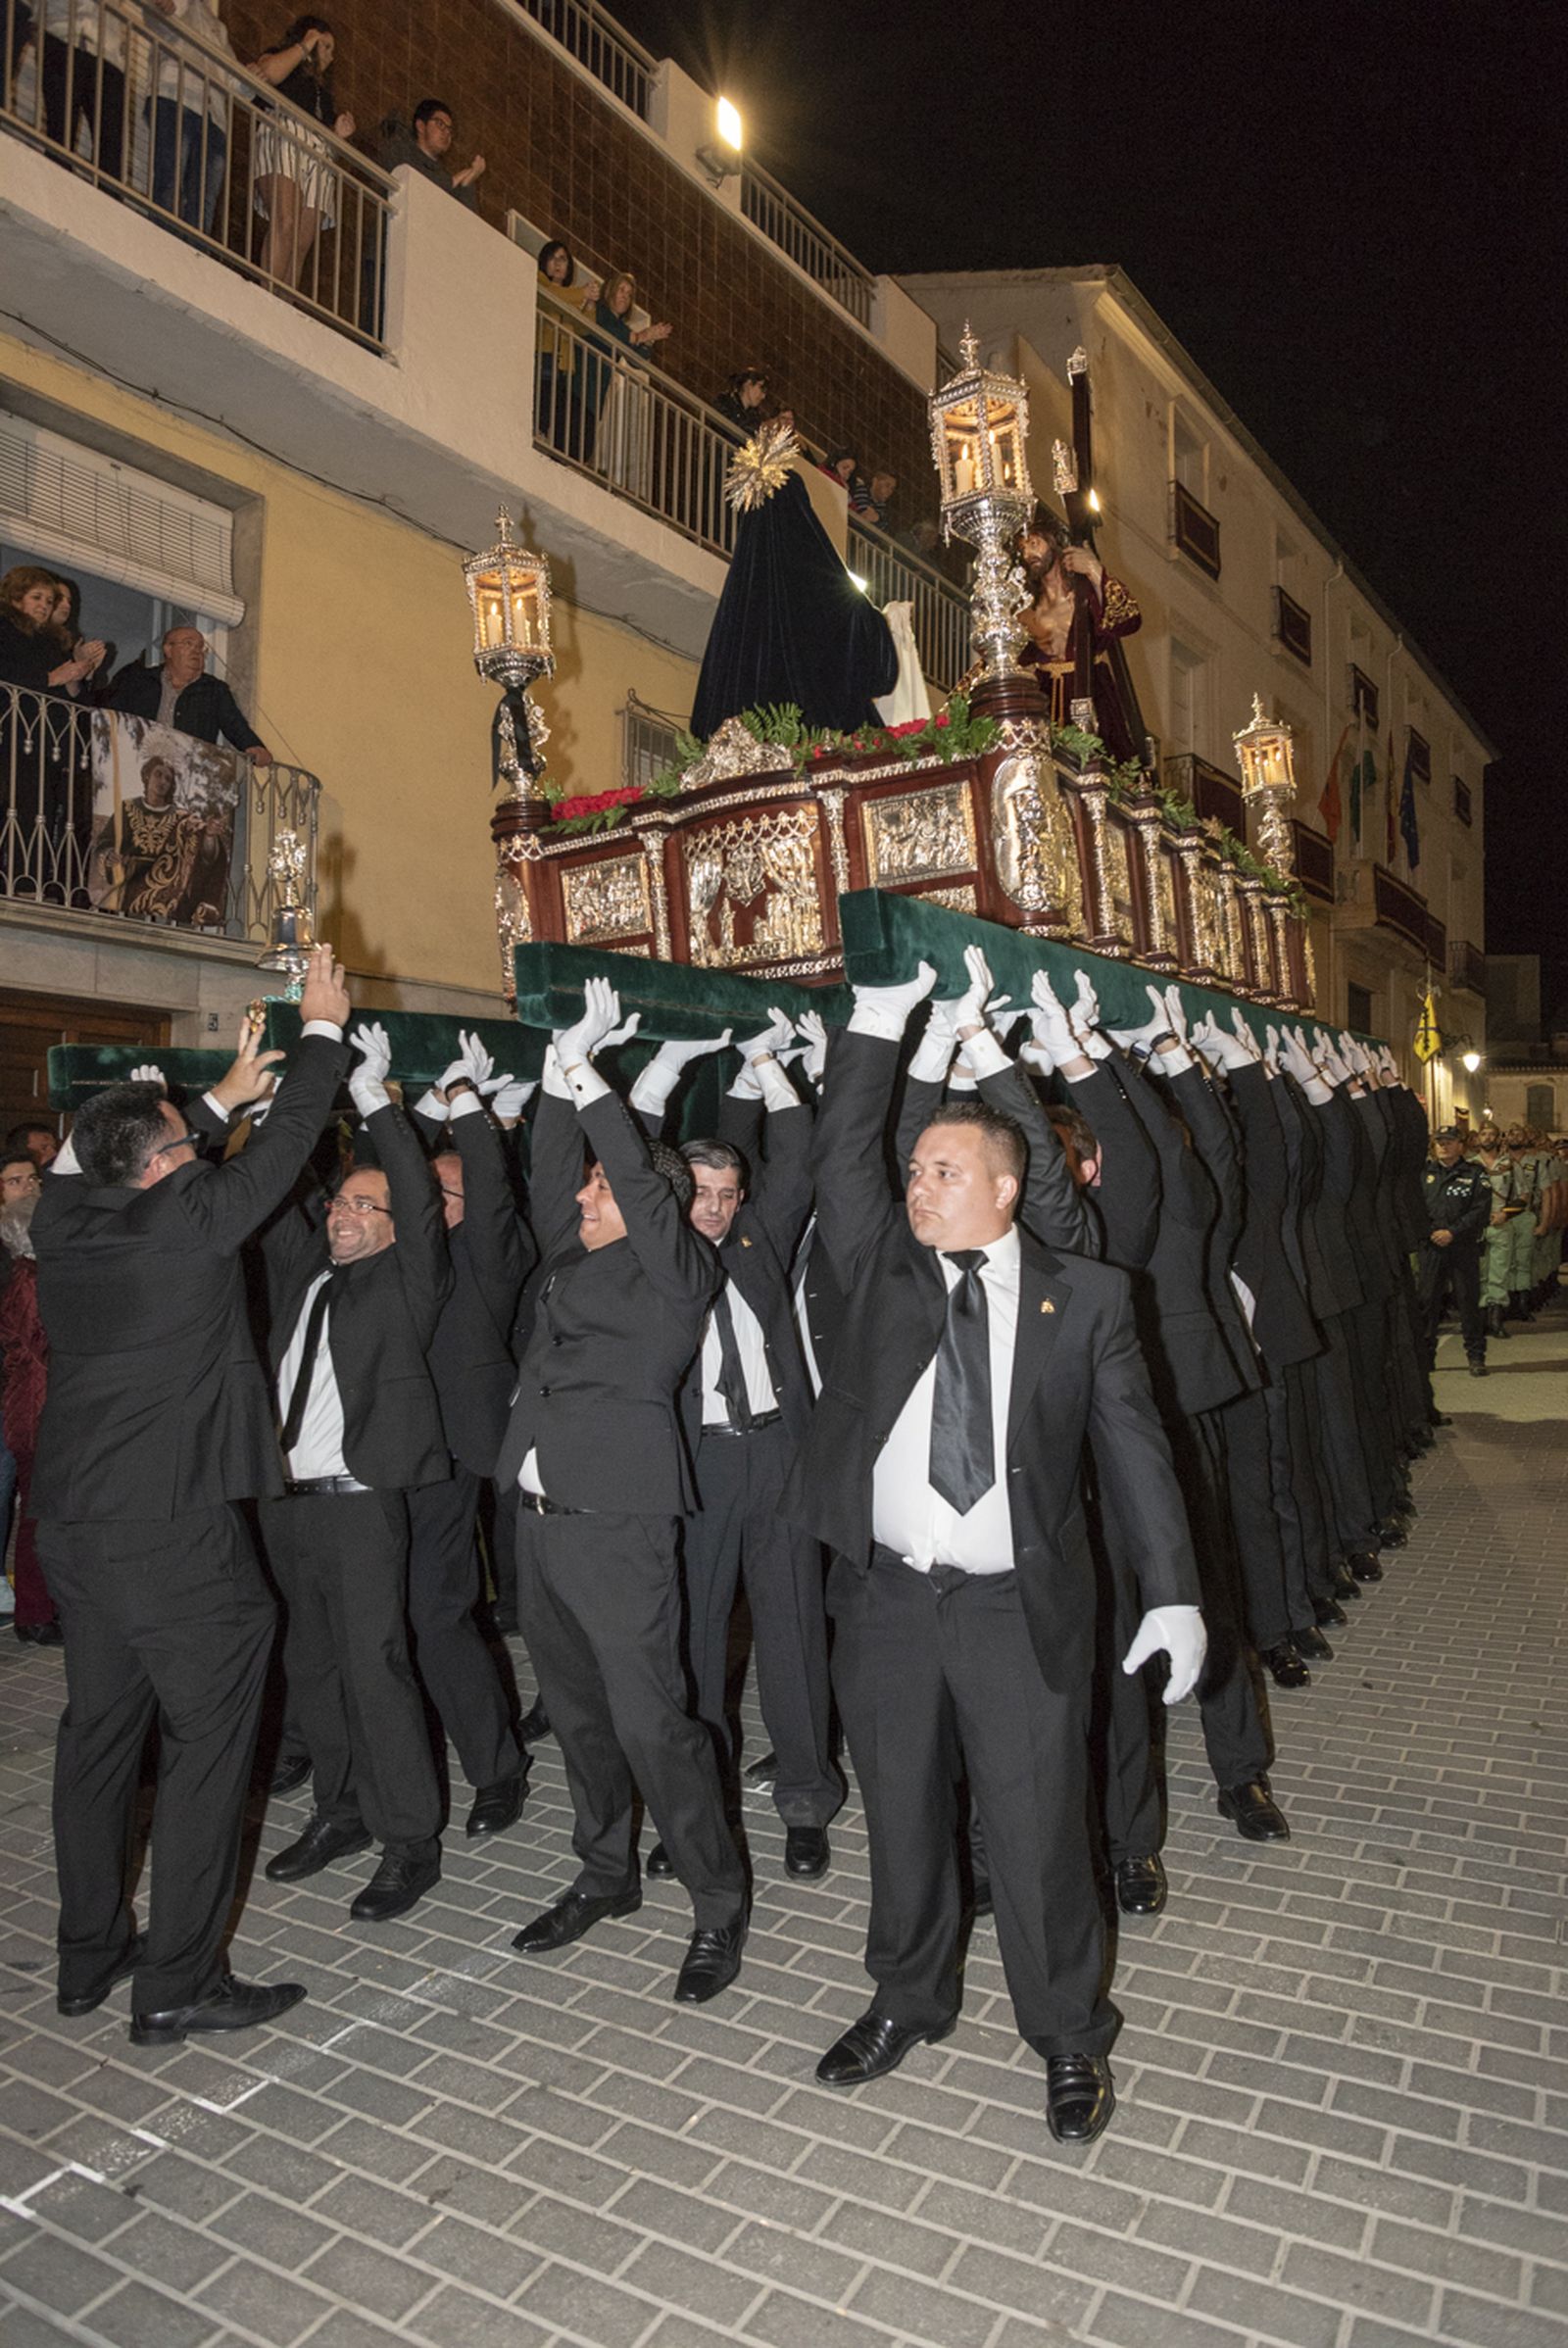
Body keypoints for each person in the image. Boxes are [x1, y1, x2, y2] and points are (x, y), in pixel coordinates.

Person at [785, 954, 1205, 2146]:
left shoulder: (1090, 1300)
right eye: (916, 1168)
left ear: (1007, 1188)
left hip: (1018, 1605)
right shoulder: (882, 1272)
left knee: (1035, 1827)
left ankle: (1068, 2034)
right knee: (904, 1813)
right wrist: (876, 1023)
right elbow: (837, 1158)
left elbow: (1136, 1459)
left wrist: (1172, 1594)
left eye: (945, 1169)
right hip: (886, 1599)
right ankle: (906, 1994)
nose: (919, 1185)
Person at [30, 959, 350, 2045]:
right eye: (186, 1141)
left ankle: (87, 1955)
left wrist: (212, 1101)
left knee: (99, 1729)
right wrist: (320, 1031)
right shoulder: (186, 1222)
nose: (198, 1148)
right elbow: (295, 1137)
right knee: (213, 1735)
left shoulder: (63, 1221)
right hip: (171, 1526)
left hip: (75, 1520)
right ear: (167, 1168)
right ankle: (178, 1978)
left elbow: (106, 1154)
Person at [500, 980, 749, 2005]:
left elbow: (643, 1190)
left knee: (654, 1724)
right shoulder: (570, 1256)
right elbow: (553, 1164)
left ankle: (717, 1901)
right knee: (576, 1711)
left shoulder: (676, 1268)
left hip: (620, 1525)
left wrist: (596, 1081)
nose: (582, 1195)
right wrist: (566, 1066)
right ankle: (604, 1871)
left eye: (601, 1188)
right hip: (540, 1524)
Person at [627, 1011, 837, 1878]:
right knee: (699, 1640)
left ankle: (806, 1800)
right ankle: (701, 1810)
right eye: (698, 1193)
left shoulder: (761, 1239)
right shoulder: (653, 1256)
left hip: (779, 1452)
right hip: (699, 1464)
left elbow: (802, 1151)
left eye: (725, 1194)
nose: (711, 1208)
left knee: (791, 1634)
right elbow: (614, 1168)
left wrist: (766, 1064)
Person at [258, 1023, 453, 1925]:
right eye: (341, 1204)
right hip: (287, 1505)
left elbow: (416, 1202)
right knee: (313, 1665)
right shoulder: (306, 1277)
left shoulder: (407, 1278)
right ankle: (339, 1812)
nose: (343, 1214)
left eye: (360, 1208)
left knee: (375, 1668)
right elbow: (278, 1192)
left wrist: (375, 1099)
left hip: (362, 1500)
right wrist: (267, 1111)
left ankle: (410, 1840)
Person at [406, 1034, 532, 1839]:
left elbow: (486, 1192)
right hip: (388, 1455)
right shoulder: (399, 1253)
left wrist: (464, 1104)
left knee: (441, 1614)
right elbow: (381, 1174)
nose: (432, 1203)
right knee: (408, 1619)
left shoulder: (490, 1252)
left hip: (464, 1450)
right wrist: (419, 1115)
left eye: (442, 1194)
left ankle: (495, 1770)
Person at [1009, 505, 1142, 757]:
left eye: (1035, 543)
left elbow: (1129, 619)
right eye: (1023, 547)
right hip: (1042, 705)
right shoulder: (1025, 613)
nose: (1028, 553)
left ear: (1055, 544)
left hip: (1092, 693)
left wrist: (1094, 570)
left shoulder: (1085, 598)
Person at [250, 17, 356, 293]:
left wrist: (338, 135)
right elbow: (269, 73)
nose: (331, 58)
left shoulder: (324, 95)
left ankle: (284, 308)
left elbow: (327, 134)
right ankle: (267, 297)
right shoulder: (282, 58)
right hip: (286, 131)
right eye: (327, 47)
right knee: (285, 221)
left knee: (301, 242)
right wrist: (305, 44)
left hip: (318, 153)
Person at [0, 1156, 60, 1645]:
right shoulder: (29, 1279)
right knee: (39, 1515)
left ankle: (40, 1609)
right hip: (36, 1412)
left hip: (36, 1409)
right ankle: (34, 1614)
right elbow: (45, 1345)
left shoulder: (31, 1275)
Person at [89, 752, 230, 926]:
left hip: (167, 893)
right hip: (129, 887)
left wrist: (208, 835)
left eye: (168, 778)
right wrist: (109, 856)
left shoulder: (181, 818)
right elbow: (105, 842)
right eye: (158, 774)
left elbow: (202, 853)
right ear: (147, 775)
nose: (162, 781)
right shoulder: (127, 808)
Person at [105, 626, 271, 761]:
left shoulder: (214, 690)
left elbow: (235, 725)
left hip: (189, 779)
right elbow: (111, 718)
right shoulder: (138, 681)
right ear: (168, 650)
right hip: (138, 769)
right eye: (188, 644)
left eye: (200, 647)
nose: (196, 651)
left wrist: (254, 747)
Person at [145, 0, 236, 238]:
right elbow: (157, 20)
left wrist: (257, 75)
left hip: (213, 115)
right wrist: (165, 9)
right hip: (176, 95)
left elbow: (235, 79)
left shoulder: (218, 26)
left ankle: (195, 256)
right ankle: (159, 244)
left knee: (204, 200)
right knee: (170, 182)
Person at [1417, 1126, 1490, 1379]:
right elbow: (1413, 1207)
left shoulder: (1475, 1174)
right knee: (1427, 1302)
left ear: (1461, 1145)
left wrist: (1453, 1232)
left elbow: (1480, 1210)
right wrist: (1431, 1232)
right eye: (1439, 1142)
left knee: (1468, 1301)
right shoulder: (1423, 1173)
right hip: (1432, 1247)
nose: (1443, 1146)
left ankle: (1476, 1356)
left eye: (1449, 1142)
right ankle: (1426, 1356)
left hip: (1462, 1247)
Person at [39, 0, 129, 182]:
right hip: (63, 34)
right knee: (60, 131)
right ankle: (55, 189)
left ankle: (109, 204)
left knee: (111, 145)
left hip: (107, 51)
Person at [534, 239, 595, 460]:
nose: (557, 263)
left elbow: (583, 328)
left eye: (563, 259)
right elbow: (550, 296)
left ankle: (561, 457)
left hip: (562, 364)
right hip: (544, 356)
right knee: (545, 401)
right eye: (553, 258)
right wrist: (582, 294)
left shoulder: (570, 296)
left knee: (572, 413)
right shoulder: (540, 280)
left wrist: (589, 305)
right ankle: (539, 437)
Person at [381, 97, 484, 209]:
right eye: (440, 124)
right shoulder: (401, 152)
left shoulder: (443, 175)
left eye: (450, 130)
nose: (446, 133)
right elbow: (417, 191)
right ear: (421, 126)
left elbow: (466, 218)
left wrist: (468, 181)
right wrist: (455, 180)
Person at [714, 367, 768, 432]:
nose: (763, 396)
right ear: (748, 384)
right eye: (762, 389)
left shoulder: (756, 417)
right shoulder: (725, 400)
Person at [821, 447, 871, 514]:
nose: (846, 473)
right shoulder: (822, 472)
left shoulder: (847, 490)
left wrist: (846, 493)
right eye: (844, 467)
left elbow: (853, 512)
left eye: (850, 472)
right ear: (834, 463)